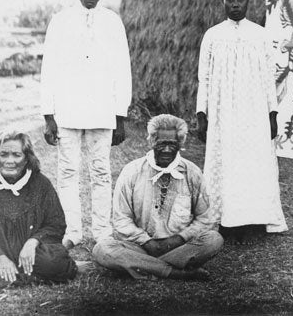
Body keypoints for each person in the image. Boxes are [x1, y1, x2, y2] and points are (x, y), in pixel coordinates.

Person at [40, 0, 132, 249]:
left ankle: (102, 231)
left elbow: (122, 69)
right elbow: (49, 68)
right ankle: (73, 231)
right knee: (68, 172)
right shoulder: (61, 20)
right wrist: (48, 114)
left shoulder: (112, 21)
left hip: (102, 109)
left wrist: (120, 114)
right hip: (68, 108)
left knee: (101, 172)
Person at [196, 0, 288, 244]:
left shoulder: (260, 35)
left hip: (254, 111)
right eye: (230, 0)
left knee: (254, 162)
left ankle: (254, 219)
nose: (235, 5)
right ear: (223, 1)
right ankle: (226, 220)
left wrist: (272, 114)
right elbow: (205, 77)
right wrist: (202, 113)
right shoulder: (213, 35)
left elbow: (269, 78)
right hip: (223, 111)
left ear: (248, 0)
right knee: (226, 161)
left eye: (240, 0)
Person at [93, 114, 223, 280]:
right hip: (139, 246)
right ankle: (175, 272)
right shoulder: (131, 171)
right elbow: (121, 220)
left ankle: (143, 266)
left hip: (180, 247)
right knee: (103, 248)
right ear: (151, 141)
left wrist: (178, 239)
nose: (167, 150)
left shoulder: (192, 173)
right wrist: (147, 242)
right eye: (162, 144)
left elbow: (205, 219)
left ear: (181, 143)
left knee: (213, 240)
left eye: (172, 144)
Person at [0, 130, 77, 288]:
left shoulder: (41, 184)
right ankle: (27, 276)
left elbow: (55, 223)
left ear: (27, 158)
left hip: (32, 252)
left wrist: (32, 242)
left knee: (52, 264)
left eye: (16, 155)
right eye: (3, 154)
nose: (9, 161)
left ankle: (12, 276)